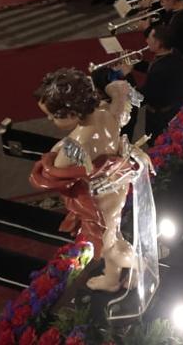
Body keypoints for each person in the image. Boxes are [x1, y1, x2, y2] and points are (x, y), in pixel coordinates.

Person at [30, 69, 149, 291]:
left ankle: (141, 266)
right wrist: (117, 90)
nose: (49, 120)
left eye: (54, 115)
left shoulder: (77, 143)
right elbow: (118, 101)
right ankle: (112, 279)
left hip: (100, 197)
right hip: (116, 185)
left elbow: (55, 171)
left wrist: (49, 159)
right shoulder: (104, 113)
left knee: (106, 246)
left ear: (73, 112)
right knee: (112, 233)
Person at [141, 25, 183, 139]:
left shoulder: (161, 69)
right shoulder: (174, 54)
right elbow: (153, 67)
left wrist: (127, 78)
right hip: (170, 108)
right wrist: (135, 64)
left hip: (158, 116)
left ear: (158, 43)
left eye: (150, 38)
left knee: (154, 142)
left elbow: (145, 96)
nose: (147, 41)